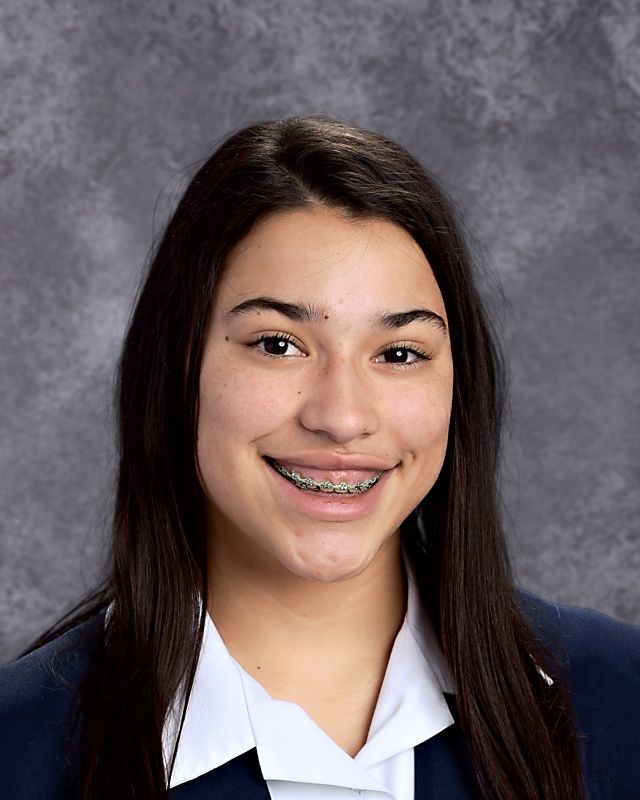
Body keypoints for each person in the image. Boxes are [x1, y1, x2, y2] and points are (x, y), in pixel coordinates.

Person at [0, 116, 638, 800]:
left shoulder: (620, 701)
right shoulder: (20, 750)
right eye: (278, 345)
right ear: (177, 367)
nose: (341, 417)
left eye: (399, 354)